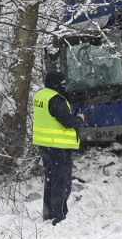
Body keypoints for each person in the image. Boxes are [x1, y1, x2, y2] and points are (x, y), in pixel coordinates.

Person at [32, 70, 85, 226]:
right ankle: (59, 216)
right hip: (59, 147)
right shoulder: (56, 99)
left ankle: (48, 214)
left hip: (45, 146)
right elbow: (67, 121)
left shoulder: (40, 96)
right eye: (63, 83)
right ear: (55, 84)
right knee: (62, 182)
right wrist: (79, 119)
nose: (65, 86)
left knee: (50, 180)